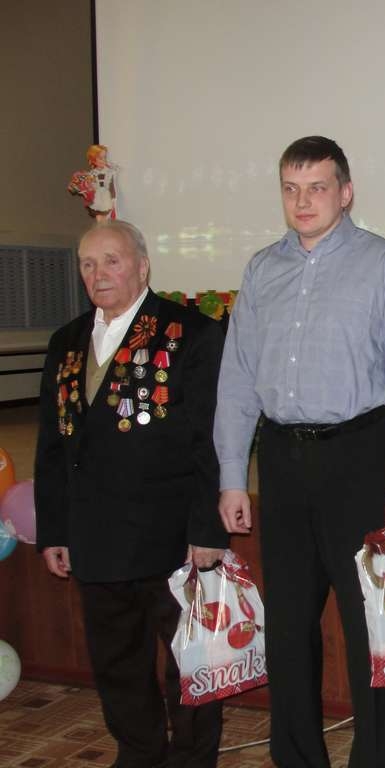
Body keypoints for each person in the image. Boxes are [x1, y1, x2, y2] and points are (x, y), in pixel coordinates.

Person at [215, 136, 385, 767]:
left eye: (317, 188)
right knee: (287, 629)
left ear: (346, 192)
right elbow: (237, 380)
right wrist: (232, 475)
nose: (302, 201)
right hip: (282, 462)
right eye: (291, 188)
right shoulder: (262, 270)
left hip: (361, 460)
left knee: (372, 629)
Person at [34, 219, 226, 767]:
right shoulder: (66, 342)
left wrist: (207, 530)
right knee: (116, 663)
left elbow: (211, 441)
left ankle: (191, 760)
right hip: (95, 536)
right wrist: (55, 529)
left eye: (111, 261)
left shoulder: (190, 333)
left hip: (172, 539)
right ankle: (139, 753)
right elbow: (52, 445)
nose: (99, 274)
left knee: (190, 662)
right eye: (88, 264)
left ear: (142, 266)